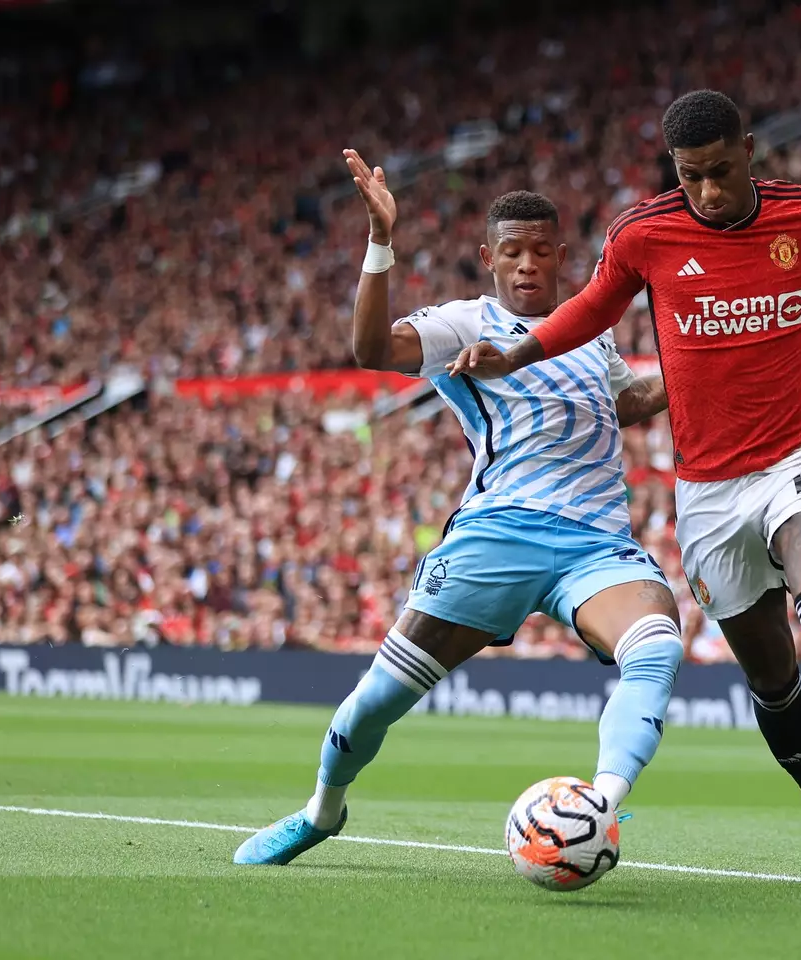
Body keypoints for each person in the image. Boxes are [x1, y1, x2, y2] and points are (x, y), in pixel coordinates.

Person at [450, 91, 801, 881]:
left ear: (749, 151)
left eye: (719, 172)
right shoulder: (645, 234)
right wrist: (518, 353)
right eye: (690, 176)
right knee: (772, 681)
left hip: (798, 446)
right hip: (707, 486)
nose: (706, 191)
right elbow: (591, 307)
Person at [234, 151, 683, 867]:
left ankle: (598, 805)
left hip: (597, 543)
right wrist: (382, 241)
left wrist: (693, 367)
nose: (528, 265)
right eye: (513, 253)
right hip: (496, 538)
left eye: (542, 252)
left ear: (564, 257)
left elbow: (624, 402)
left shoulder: (588, 329)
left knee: (657, 643)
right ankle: (322, 809)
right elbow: (371, 348)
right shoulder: (462, 323)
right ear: (488, 258)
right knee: (378, 699)